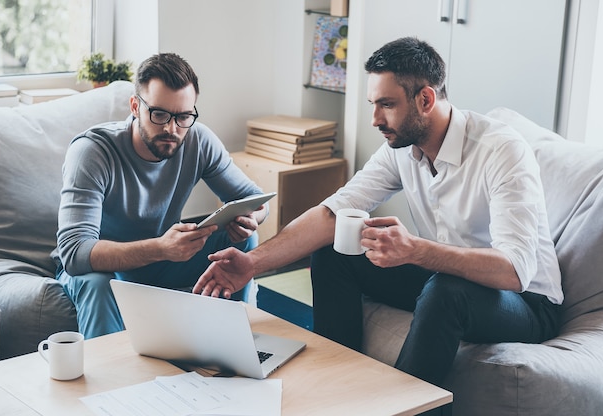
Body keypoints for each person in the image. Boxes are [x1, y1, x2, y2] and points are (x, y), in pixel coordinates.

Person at [192, 37, 563, 387]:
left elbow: (515, 270)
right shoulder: (401, 149)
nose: (374, 119)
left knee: (447, 291)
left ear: (425, 100)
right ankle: (338, 380)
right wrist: (252, 263)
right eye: (373, 104)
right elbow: (332, 213)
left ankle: (399, 404)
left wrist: (416, 249)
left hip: (526, 303)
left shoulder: (501, 151)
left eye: (386, 104)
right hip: (444, 276)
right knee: (334, 247)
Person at [53, 53, 268, 339]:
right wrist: (160, 248)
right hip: (105, 268)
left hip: (161, 262)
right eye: (159, 114)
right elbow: (75, 252)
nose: (171, 128)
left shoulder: (198, 140)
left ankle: (235, 344)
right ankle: (111, 382)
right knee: (97, 284)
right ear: (134, 107)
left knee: (239, 242)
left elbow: (256, 200)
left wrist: (251, 218)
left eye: (183, 117)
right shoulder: (92, 152)